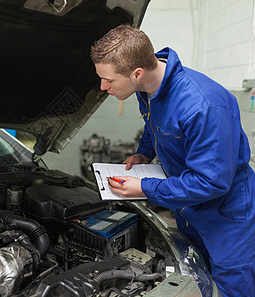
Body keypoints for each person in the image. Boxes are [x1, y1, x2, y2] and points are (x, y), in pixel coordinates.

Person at [90, 25, 254, 297]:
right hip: (187, 204)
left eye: (109, 80)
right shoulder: (149, 88)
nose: (103, 87)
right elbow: (154, 124)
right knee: (195, 275)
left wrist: (146, 189)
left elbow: (211, 182)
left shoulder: (202, 106)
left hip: (226, 213)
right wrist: (144, 153)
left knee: (232, 286)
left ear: (137, 73)